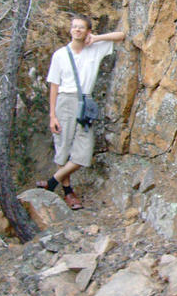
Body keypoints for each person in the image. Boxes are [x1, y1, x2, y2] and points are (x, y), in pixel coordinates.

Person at [37, 14, 125, 209]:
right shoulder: (60, 55)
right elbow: (54, 86)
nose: (76, 30)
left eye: (81, 27)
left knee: (84, 152)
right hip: (64, 102)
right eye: (74, 26)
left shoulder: (94, 49)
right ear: (70, 30)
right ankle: (68, 192)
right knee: (63, 149)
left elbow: (121, 35)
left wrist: (98, 38)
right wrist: (52, 116)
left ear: (87, 31)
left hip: (84, 102)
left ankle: (52, 182)